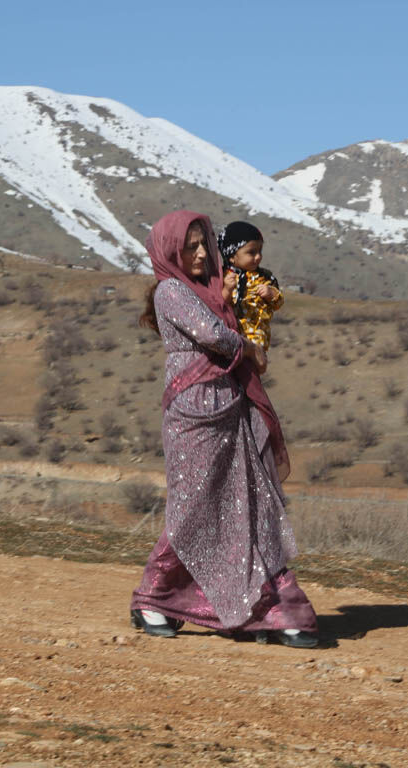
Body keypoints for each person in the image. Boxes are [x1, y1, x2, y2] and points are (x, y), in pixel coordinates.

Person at [129, 210, 318, 648]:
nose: (200, 253)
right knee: (194, 509)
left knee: (246, 506)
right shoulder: (171, 291)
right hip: (193, 417)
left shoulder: (212, 289)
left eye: (204, 244)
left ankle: (266, 605)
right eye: (190, 246)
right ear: (170, 251)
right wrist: (248, 347)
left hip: (231, 408)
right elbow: (213, 334)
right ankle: (154, 597)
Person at [218, 220, 283, 351]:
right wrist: (227, 289)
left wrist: (271, 293)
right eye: (251, 252)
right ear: (232, 256)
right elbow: (218, 306)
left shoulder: (264, 278)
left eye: (260, 251)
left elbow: (278, 303)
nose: (258, 257)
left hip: (257, 343)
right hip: (230, 342)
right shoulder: (221, 277)